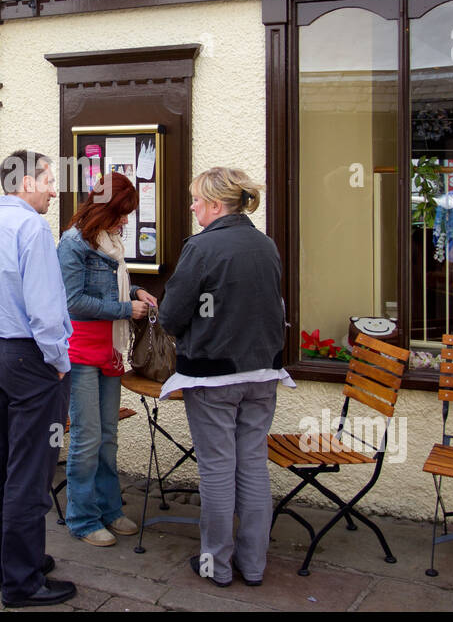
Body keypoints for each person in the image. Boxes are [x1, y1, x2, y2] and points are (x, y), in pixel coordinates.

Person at [0, 149, 76, 608]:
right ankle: (23, 583)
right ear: (26, 182)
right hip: (32, 358)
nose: (53, 189)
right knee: (31, 472)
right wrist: (59, 362)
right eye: (48, 180)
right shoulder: (32, 228)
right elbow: (46, 312)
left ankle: (6, 568)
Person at [158, 167, 285, 588]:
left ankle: (217, 564)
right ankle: (253, 565)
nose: (192, 206)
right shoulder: (266, 245)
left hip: (214, 375)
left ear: (215, 204)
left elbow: (171, 316)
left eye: (196, 199)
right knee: (252, 466)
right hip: (263, 371)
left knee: (217, 470)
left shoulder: (202, 247)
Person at [56, 171, 157, 546]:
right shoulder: (72, 243)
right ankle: (82, 518)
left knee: (108, 435)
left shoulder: (109, 239)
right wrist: (123, 309)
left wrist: (139, 292)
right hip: (82, 350)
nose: (126, 221)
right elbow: (72, 302)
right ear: (102, 209)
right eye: (121, 212)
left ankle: (109, 509)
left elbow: (112, 284)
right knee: (87, 436)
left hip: (110, 350)